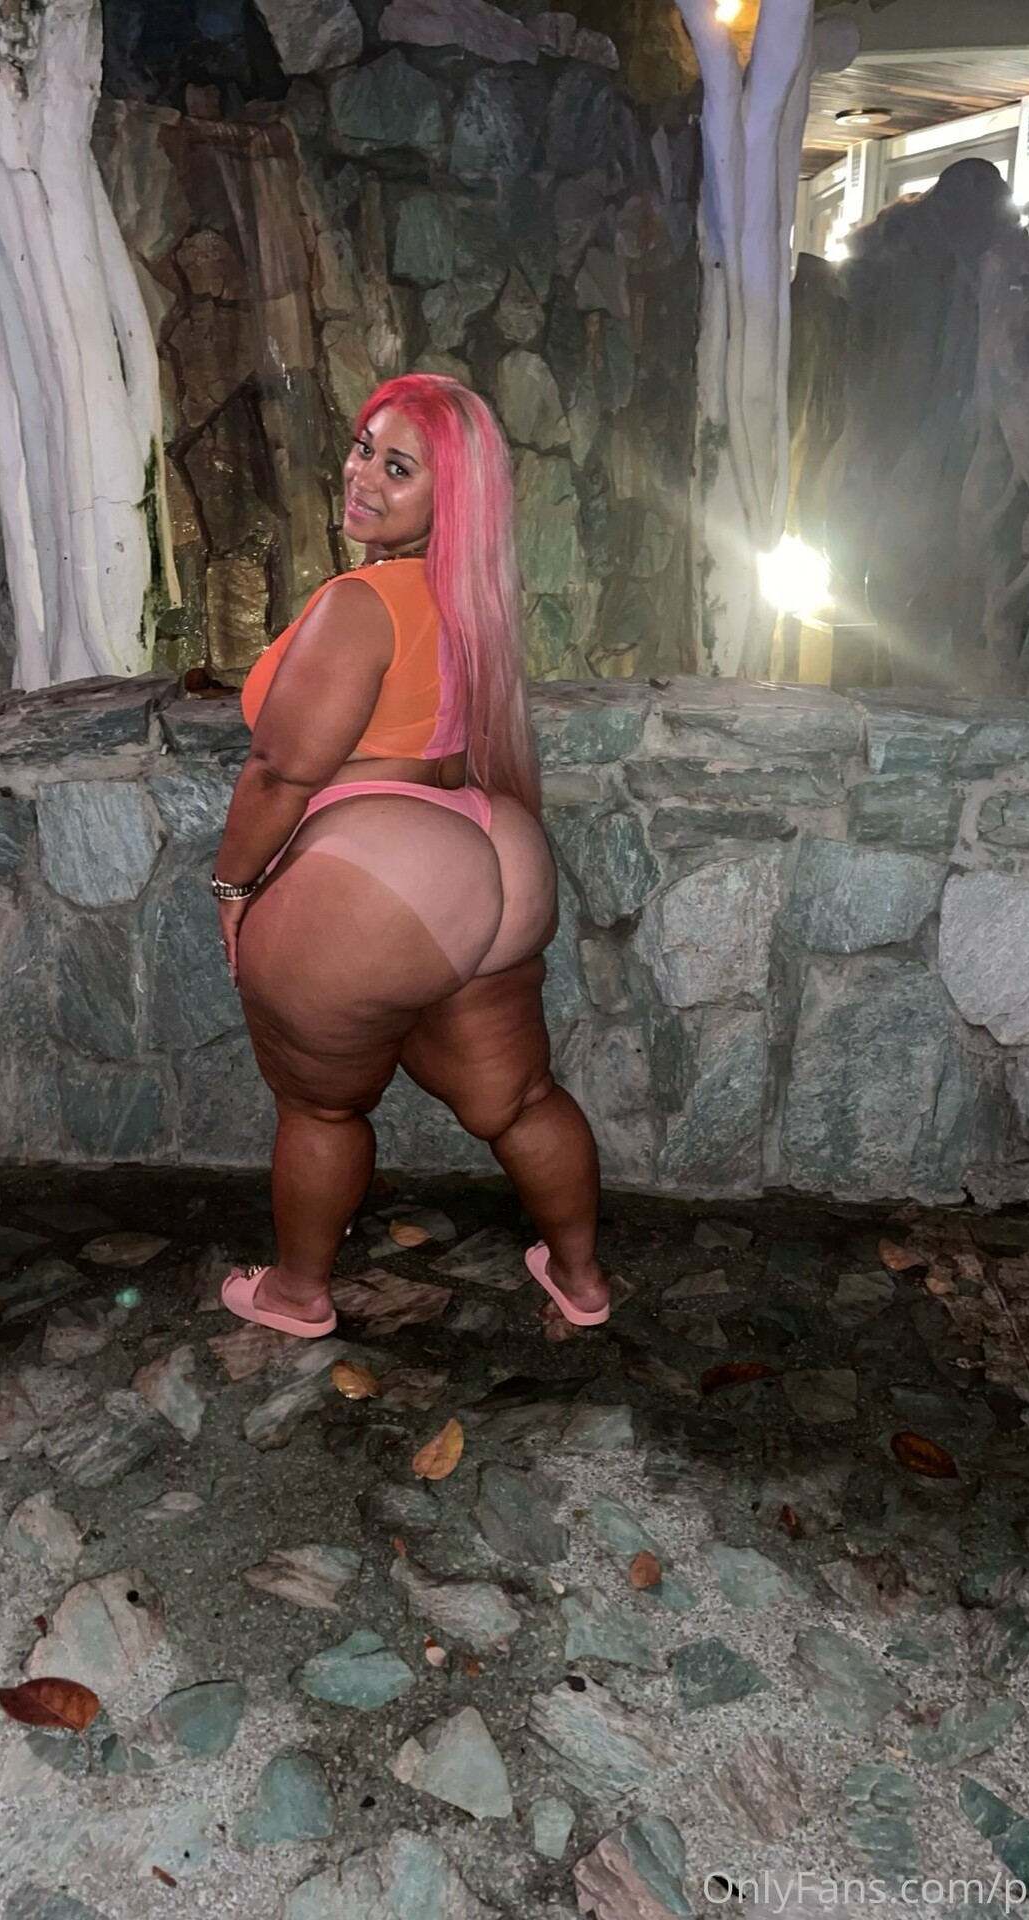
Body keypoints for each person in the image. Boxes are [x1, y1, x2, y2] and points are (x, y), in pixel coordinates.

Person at [211, 374, 608, 1337]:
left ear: (449, 496)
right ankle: (579, 1276)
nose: (361, 476)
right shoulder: (472, 599)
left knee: (320, 1107)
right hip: (496, 847)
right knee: (519, 1096)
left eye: (397, 467)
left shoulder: (360, 602)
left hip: (384, 870)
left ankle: (297, 1293)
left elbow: (279, 773)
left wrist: (232, 886)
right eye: (363, 448)